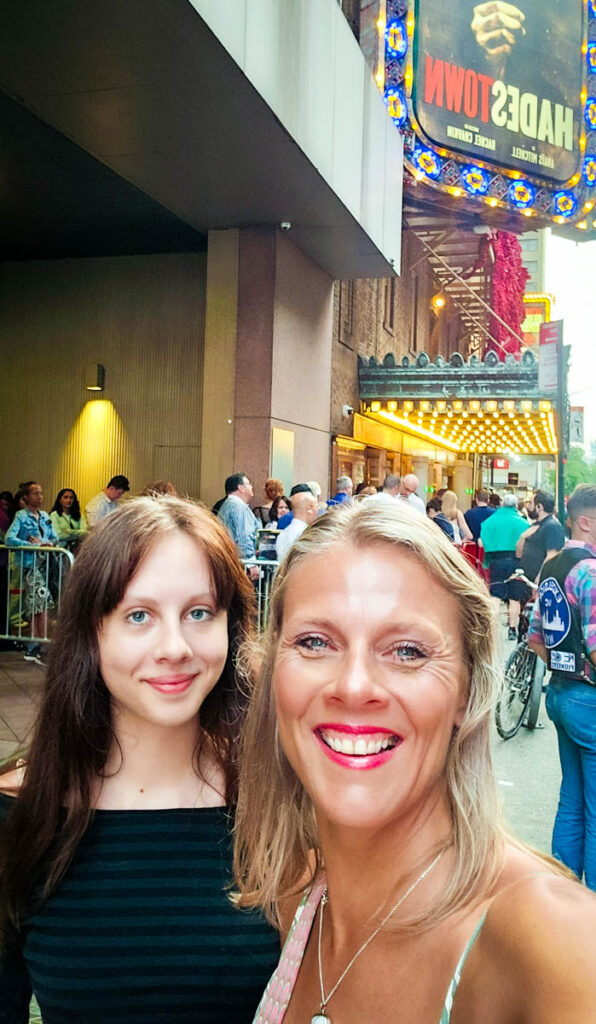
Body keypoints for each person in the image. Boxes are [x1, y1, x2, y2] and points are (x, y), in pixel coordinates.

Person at [235, 501, 596, 1024]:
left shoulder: (554, 945)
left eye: (407, 651)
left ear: (467, 689)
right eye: (315, 642)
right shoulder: (297, 892)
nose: (354, 686)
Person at [0, 496, 279, 1023]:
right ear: (91, 632)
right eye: (138, 615)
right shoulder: (19, 814)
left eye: (199, 613)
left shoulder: (279, 802)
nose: (174, 646)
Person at [528, 484, 596, 889]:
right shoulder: (590, 572)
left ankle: (564, 896)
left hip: (561, 695)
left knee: (572, 800)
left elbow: (536, 640)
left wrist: (567, 668)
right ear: (586, 522)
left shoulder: (553, 566)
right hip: (588, 701)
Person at [4, 482, 58, 664]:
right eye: (35, 493)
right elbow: (9, 538)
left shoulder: (44, 516)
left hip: (45, 564)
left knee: (39, 605)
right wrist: (29, 544)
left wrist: (44, 541)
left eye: (41, 493)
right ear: (26, 497)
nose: (39, 497)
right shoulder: (21, 516)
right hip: (30, 565)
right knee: (40, 602)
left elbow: (54, 537)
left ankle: (35, 644)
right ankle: (38, 645)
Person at [480, 493, 528, 640]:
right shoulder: (522, 523)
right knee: (514, 597)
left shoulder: (490, 521)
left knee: (495, 594)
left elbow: (482, 541)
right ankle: (512, 628)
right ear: (515, 506)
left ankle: (492, 628)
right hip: (515, 561)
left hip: (496, 560)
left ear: (502, 504)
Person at [516, 489, 566, 584]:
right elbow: (519, 554)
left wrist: (539, 579)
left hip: (536, 581)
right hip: (527, 579)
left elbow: (552, 555)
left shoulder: (552, 526)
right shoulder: (536, 525)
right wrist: (522, 537)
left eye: (530, 503)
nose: (528, 506)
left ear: (539, 507)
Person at [217, 473, 259, 560]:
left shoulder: (227, 504)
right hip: (242, 561)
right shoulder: (239, 506)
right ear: (241, 488)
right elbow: (244, 537)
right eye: (249, 484)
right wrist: (251, 563)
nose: (251, 486)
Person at [275, 492, 319, 562]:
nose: (318, 512)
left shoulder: (283, 534)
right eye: (317, 507)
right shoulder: (307, 535)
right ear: (309, 509)